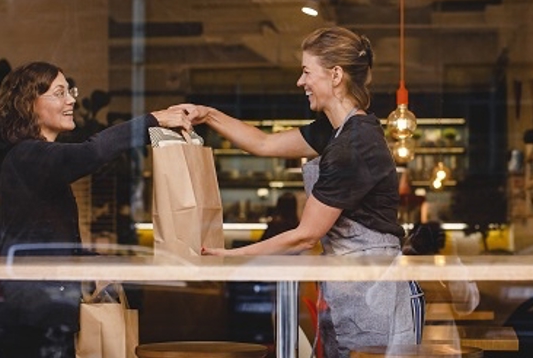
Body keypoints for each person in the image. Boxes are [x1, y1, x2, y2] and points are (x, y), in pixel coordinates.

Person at [174, 26, 424, 357]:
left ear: (335, 75)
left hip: (373, 295)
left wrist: (233, 257)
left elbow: (305, 235)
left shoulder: (353, 145)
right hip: (352, 288)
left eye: (307, 72)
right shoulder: (336, 132)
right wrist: (208, 115)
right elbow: (264, 143)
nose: (300, 82)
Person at [0, 61, 192, 358]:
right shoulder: (28, 156)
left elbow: (43, 241)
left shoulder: (35, 160)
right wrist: (152, 120)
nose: (71, 100)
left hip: (39, 316)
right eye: (59, 93)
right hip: (29, 320)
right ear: (29, 104)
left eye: (70, 91)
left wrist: (98, 261)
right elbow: (91, 152)